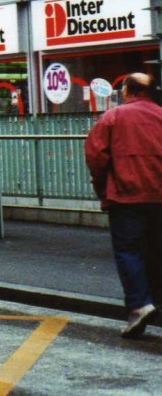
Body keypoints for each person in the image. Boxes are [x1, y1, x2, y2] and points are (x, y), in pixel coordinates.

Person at [84, 72, 162, 339]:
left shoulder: (113, 118)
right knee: (156, 250)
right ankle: (155, 301)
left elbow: (95, 155)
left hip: (126, 196)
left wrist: (102, 186)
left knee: (129, 250)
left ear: (127, 91)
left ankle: (140, 304)